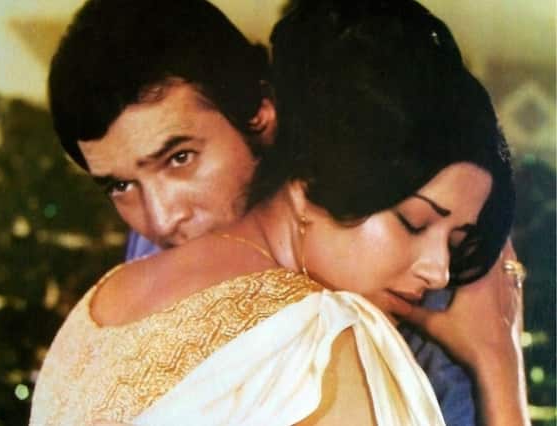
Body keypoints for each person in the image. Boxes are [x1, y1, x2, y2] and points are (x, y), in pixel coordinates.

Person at [30, 0, 530, 424]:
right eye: (120, 186)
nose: (162, 219)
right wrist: (498, 367)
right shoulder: (149, 267)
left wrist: (494, 362)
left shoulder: (407, 307)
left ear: (263, 117)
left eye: (180, 158)